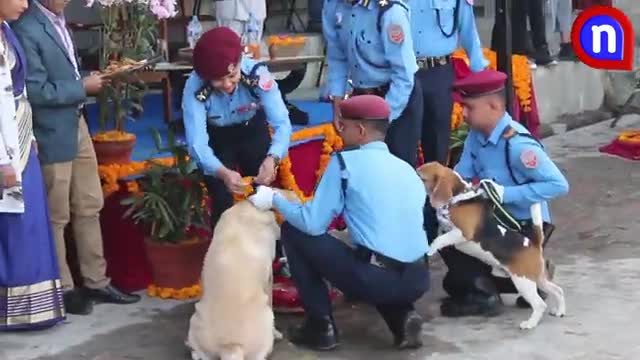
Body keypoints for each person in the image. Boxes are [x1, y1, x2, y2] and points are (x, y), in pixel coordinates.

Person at [248, 95, 430, 351]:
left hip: (376, 278)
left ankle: (321, 327)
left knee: (295, 231)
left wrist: (274, 198)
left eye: (343, 126)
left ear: (361, 130)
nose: (338, 130)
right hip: (419, 277)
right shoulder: (406, 168)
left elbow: (312, 223)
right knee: (376, 256)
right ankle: (402, 318)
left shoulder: (345, 163)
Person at [12, 0, 140, 316]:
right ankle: (64, 288)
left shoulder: (57, 18)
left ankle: (97, 281)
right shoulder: (26, 26)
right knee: (57, 213)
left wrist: (88, 79)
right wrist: (82, 86)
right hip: (50, 129)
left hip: (76, 122)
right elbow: (35, 90)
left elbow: (63, 71)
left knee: (89, 203)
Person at [436, 69, 569, 317]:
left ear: (494, 106)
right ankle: (518, 276)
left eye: (469, 107)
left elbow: (558, 185)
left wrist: (504, 194)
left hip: (522, 224)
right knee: (444, 223)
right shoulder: (477, 137)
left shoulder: (518, 145)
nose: (463, 113)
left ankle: (481, 293)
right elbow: (461, 176)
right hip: (496, 221)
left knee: (454, 244)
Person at [181, 27, 292, 226]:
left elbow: (282, 122)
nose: (227, 85)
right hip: (218, 138)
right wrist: (222, 172)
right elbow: (197, 142)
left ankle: (270, 252)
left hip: (252, 131)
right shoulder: (194, 86)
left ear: (241, 61)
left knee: (261, 196)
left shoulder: (257, 74)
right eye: (217, 80)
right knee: (222, 201)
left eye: (232, 76)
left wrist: (273, 158)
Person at [0, 0, 66, 331]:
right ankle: (14, 309)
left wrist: (30, 135)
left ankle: (35, 307)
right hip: (6, 145)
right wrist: (1, 159)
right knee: (16, 224)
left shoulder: (6, 30)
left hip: (21, 136)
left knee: (32, 218)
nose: (25, 4)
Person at [407, 0, 488, 254]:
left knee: (437, 156)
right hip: (403, 75)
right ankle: (408, 232)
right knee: (405, 155)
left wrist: (480, 77)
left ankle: (433, 231)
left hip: (439, 73)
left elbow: (468, 30)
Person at [323, 0, 423, 166]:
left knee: (397, 168)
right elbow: (337, 57)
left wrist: (381, 121)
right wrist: (338, 102)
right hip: (361, 97)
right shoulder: (333, 6)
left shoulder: (390, 11)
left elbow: (403, 75)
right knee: (362, 167)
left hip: (395, 96)